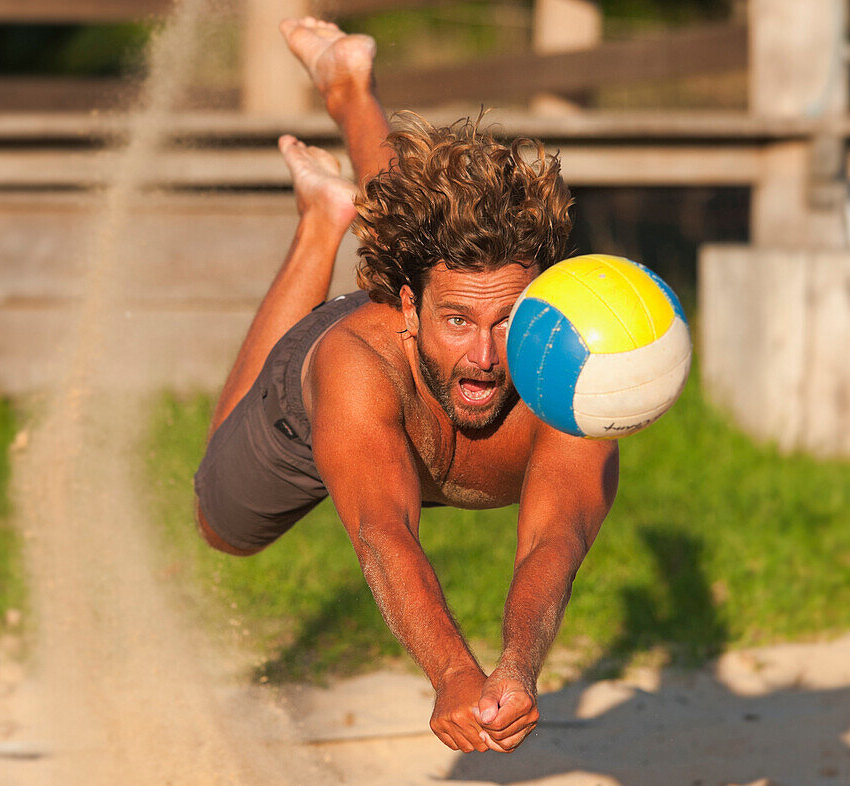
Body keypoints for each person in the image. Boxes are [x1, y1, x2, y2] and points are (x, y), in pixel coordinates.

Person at [194, 17, 618, 754]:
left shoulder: (575, 381)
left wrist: (516, 668)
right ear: (410, 309)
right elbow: (383, 530)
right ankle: (322, 221)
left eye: (508, 322)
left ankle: (351, 84)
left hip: (424, 298)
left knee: (418, 224)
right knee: (219, 525)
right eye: (456, 321)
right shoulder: (356, 365)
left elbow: (554, 539)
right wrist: (453, 673)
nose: (485, 357)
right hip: (310, 402)